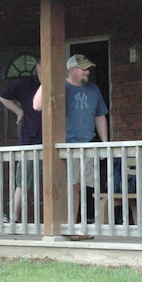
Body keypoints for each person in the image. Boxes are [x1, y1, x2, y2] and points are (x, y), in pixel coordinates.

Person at [32, 53, 109, 224]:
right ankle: (69, 226)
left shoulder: (93, 89)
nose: (87, 72)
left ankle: (74, 225)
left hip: (88, 145)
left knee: (84, 188)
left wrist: (105, 144)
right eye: (84, 69)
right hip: (68, 146)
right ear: (72, 70)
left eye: (88, 69)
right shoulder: (60, 86)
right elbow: (37, 105)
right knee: (71, 187)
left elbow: (100, 116)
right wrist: (47, 80)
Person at [0, 56, 42, 223]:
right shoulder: (26, 83)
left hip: (52, 140)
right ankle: (14, 218)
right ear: (38, 66)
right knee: (23, 182)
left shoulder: (57, 82)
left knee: (55, 182)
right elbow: (3, 96)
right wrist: (19, 111)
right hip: (30, 140)